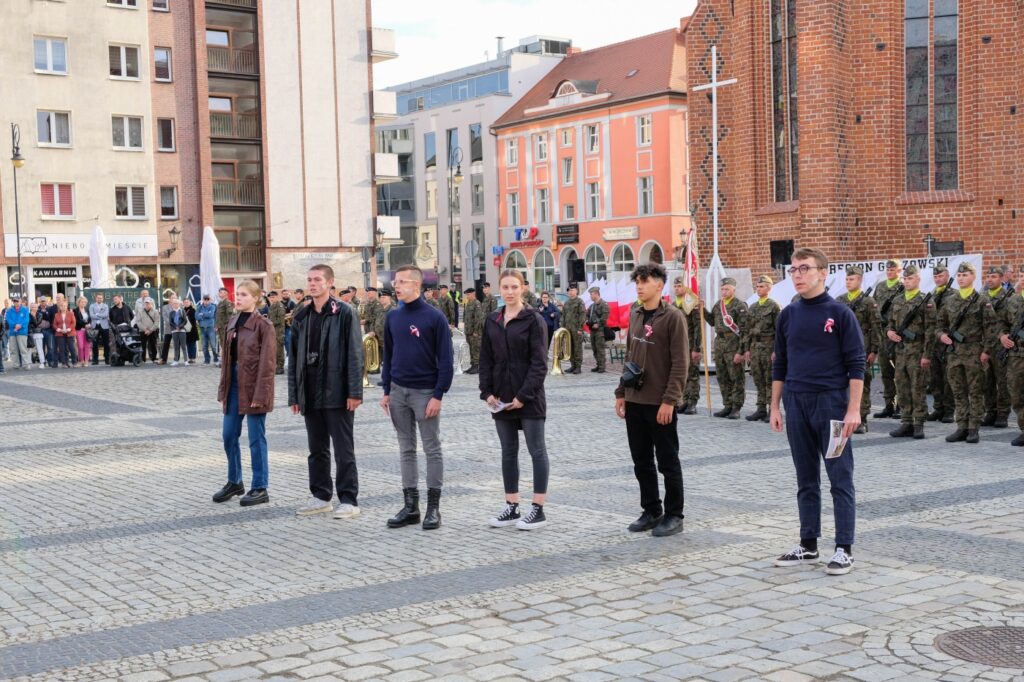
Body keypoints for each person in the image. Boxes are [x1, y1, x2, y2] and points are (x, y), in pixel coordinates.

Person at [770, 247, 864, 576]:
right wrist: (775, 406)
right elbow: (779, 363)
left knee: (839, 477)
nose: (797, 275)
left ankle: (843, 548)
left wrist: (854, 410)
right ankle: (808, 544)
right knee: (805, 477)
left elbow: (857, 366)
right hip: (796, 404)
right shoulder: (788, 315)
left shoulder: (840, 314)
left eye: (804, 269)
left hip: (832, 406)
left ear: (822, 273)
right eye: (793, 270)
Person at [613, 263, 688, 537]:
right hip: (635, 400)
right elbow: (630, 356)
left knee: (668, 460)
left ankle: (674, 514)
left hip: (660, 401)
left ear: (660, 284)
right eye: (637, 282)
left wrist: (670, 400)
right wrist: (621, 392)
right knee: (641, 460)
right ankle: (651, 509)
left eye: (645, 281)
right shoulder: (635, 313)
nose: (640, 286)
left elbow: (680, 364)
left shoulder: (673, 317)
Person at [380, 265, 453, 531]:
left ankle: (434, 508)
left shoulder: (434, 318)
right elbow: (389, 355)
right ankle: (411, 506)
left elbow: (445, 359)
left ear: (417, 285)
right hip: (399, 391)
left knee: (431, 448)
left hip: (425, 393)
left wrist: (438, 394)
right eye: (395, 282)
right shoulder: (393, 317)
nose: (396, 286)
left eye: (401, 282)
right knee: (406, 449)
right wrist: (386, 390)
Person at [288, 264, 364, 518]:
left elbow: (355, 354)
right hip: (309, 390)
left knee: (343, 449)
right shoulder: (301, 315)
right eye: (309, 279)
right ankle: (321, 495)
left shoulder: (344, 312)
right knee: (316, 448)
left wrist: (354, 392)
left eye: (317, 279)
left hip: (337, 390)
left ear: (330, 283)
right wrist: (295, 395)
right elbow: (294, 358)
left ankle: (348, 499)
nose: (312, 284)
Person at [480, 270, 551, 530]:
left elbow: (539, 363)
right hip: (501, 397)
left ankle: (538, 509)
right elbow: (486, 359)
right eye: (505, 287)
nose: (509, 292)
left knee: (536, 450)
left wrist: (524, 395)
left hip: (529, 398)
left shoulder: (533, 319)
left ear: (523, 288)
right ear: (500, 289)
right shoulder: (492, 320)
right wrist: (486, 391)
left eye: (514, 287)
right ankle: (511, 506)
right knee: (508, 452)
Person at [214, 280, 277, 507]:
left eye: (243, 295)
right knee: (228, 434)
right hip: (233, 384)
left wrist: (261, 393)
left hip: (255, 384)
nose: (237, 298)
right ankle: (235, 481)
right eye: (236, 294)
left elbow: (268, 364)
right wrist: (223, 387)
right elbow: (226, 361)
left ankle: (260, 486)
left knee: (255, 438)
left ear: (255, 297)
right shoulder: (232, 321)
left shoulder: (264, 325)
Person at [936, 262, 995, 444]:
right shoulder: (950, 300)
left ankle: (973, 428)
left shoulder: (982, 300)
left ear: (973, 277)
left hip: (974, 352)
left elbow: (991, 328)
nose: (961, 278)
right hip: (954, 353)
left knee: (975, 391)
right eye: (959, 276)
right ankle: (961, 426)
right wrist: (942, 336)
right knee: (958, 391)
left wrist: (986, 351)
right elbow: (939, 325)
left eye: (965, 275)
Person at [885, 264, 936, 439]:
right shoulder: (898, 300)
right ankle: (906, 422)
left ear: (918, 279)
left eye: (910, 278)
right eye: (905, 279)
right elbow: (891, 323)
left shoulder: (926, 301)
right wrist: (890, 332)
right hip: (900, 352)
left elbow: (931, 331)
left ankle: (919, 424)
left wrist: (926, 355)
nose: (907, 281)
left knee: (918, 388)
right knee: (902, 387)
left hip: (917, 351)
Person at [836, 266, 881, 433]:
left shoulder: (868, 302)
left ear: (860, 280)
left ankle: (861, 419)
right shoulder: (840, 300)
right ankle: (843, 417)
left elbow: (876, 327)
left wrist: (874, 350)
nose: (849, 282)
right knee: (841, 384)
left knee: (862, 384)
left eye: (852, 279)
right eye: (847, 279)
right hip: (841, 349)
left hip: (862, 348)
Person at [702, 278, 749, 418]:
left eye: (727, 289)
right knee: (722, 376)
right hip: (720, 344)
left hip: (733, 344)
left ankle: (736, 407)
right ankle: (727, 405)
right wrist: (702, 310)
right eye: (722, 289)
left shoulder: (739, 305)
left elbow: (745, 331)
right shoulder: (718, 305)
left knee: (736, 377)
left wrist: (741, 351)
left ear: (734, 290)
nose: (724, 291)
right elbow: (711, 321)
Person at [745, 276, 781, 422]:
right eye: (757, 286)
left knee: (769, 378)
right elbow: (747, 329)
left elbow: (780, 330)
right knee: (758, 378)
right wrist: (747, 349)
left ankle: (772, 409)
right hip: (755, 347)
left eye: (761, 286)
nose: (758, 289)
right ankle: (760, 408)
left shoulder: (774, 306)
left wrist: (776, 350)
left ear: (769, 288)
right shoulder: (753, 307)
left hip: (768, 345)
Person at [872, 259, 904, 419]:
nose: (890, 271)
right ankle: (888, 405)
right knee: (885, 372)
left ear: (900, 270)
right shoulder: (881, 287)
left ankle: (901, 405)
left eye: (893, 269)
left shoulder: (903, 287)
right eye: (888, 269)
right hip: (882, 336)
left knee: (899, 373)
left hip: (897, 336)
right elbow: (874, 307)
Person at [996, 265, 1024, 447]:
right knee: (1017, 394)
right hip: (1016, 355)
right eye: (1021, 275)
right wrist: (1002, 336)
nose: (1023, 278)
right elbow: (1001, 323)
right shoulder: (1013, 300)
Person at [981, 266, 1012, 428]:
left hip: (1000, 347)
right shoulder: (982, 297)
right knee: (987, 382)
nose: (990, 279)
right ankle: (990, 412)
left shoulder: (1008, 297)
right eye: (988, 276)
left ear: (1001, 278)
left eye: (994, 276)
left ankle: (1002, 413)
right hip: (984, 346)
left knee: (1002, 382)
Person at [670, 277, 703, 415]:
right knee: (680, 374)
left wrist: (696, 348)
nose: (677, 288)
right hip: (677, 346)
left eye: (680, 286)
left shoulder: (691, 304)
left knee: (692, 375)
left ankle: (692, 402)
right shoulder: (672, 305)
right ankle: (683, 401)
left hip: (689, 345)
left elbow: (697, 327)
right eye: (675, 286)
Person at [927, 265, 955, 423]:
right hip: (933, 342)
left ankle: (949, 410)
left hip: (947, 341)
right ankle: (938, 408)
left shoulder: (954, 295)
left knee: (947, 378)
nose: (938, 279)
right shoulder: (931, 295)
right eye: (936, 277)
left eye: (941, 276)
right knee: (934, 378)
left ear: (947, 276)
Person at [560, 284, 585, 374]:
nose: (570, 292)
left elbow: (582, 316)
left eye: (572, 290)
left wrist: (580, 329)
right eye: (569, 290)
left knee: (577, 348)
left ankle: (578, 367)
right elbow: (563, 316)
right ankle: (572, 365)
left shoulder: (579, 302)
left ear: (576, 291)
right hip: (568, 329)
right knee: (570, 348)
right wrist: (562, 327)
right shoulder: (567, 303)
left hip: (576, 329)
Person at [586, 286, 610, 373]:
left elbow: (605, 316)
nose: (590, 296)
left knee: (600, 349)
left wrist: (598, 324)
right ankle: (598, 364)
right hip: (592, 330)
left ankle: (602, 367)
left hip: (600, 331)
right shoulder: (592, 306)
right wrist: (587, 321)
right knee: (594, 348)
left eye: (591, 294)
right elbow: (587, 314)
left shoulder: (604, 304)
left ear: (596, 294)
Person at [462, 288, 484, 374]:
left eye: (468, 294)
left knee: (476, 348)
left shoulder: (477, 303)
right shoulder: (468, 304)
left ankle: (477, 366)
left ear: (473, 294)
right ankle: (473, 365)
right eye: (466, 295)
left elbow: (478, 319)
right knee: (471, 348)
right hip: (468, 331)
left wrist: (476, 331)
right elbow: (466, 318)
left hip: (475, 332)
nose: (467, 296)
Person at [5, 297, 30, 370]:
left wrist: (20, 325)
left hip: (22, 332)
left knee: (23, 349)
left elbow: (26, 320)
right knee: (13, 349)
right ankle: (16, 365)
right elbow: (8, 320)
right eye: (14, 301)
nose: (16, 302)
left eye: (17, 301)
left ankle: (26, 364)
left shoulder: (25, 310)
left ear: (20, 301)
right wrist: (15, 325)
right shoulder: (9, 310)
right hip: (12, 332)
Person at [135, 298, 160, 362]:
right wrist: (145, 329)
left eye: (148, 303)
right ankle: (143, 359)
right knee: (143, 345)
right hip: (143, 331)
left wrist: (150, 330)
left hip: (153, 331)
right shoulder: (140, 312)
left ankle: (154, 358)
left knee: (153, 345)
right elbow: (138, 322)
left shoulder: (156, 312)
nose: (147, 305)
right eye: (146, 303)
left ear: (151, 304)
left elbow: (157, 322)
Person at [196, 294, 219, 365]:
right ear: (203, 300)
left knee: (213, 345)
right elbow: (196, 316)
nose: (206, 301)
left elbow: (211, 315)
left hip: (211, 328)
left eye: (207, 299)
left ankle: (216, 359)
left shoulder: (213, 306)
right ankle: (207, 360)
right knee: (204, 346)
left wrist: (202, 314)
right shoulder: (199, 307)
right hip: (202, 328)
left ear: (210, 300)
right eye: (205, 299)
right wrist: (205, 315)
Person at [267, 290, 286, 375]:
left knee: (279, 349)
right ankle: (275, 365)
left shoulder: (280, 306)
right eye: (270, 297)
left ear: (277, 297)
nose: (271, 299)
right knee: (273, 349)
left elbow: (280, 319)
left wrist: (269, 322)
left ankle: (280, 367)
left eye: (273, 297)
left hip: (278, 331)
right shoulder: (271, 306)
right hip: (272, 331)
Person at [53, 299, 77, 368]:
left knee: (72, 348)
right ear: (59, 307)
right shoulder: (56, 315)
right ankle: (64, 363)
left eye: (64, 306)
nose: (63, 307)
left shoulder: (71, 313)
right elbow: (54, 324)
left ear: (67, 306)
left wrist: (69, 329)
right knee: (62, 349)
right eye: (62, 306)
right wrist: (59, 329)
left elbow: (73, 323)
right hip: (60, 333)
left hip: (70, 332)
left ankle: (74, 362)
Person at [166, 298, 189, 367]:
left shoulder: (182, 311)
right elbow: (170, 322)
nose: (175, 304)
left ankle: (186, 361)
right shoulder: (171, 313)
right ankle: (176, 360)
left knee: (183, 346)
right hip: (174, 330)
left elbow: (185, 321)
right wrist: (176, 327)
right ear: (172, 305)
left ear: (179, 304)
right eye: (174, 303)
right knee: (176, 346)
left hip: (182, 330)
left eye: (176, 303)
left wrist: (180, 326)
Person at [89, 293, 110, 366]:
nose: (99, 299)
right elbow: (91, 316)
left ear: (103, 299)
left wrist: (97, 314)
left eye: (101, 298)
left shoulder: (106, 306)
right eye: (98, 298)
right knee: (95, 344)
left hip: (104, 327)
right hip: (95, 326)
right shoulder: (92, 306)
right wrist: (101, 316)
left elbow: (105, 315)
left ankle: (107, 359)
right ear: (96, 298)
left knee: (106, 344)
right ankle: (95, 360)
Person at [215, 287, 234, 366]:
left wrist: (228, 326)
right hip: (220, 327)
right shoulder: (220, 303)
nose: (220, 294)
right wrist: (217, 325)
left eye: (221, 292)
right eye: (219, 292)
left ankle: (228, 361)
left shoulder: (227, 302)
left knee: (226, 344)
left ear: (226, 294)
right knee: (222, 344)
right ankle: (224, 360)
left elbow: (229, 315)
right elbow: (218, 316)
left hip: (225, 327)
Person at [73, 296, 91, 368]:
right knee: (80, 346)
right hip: (79, 330)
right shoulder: (75, 310)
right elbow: (76, 320)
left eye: (84, 302)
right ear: (78, 302)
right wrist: (85, 324)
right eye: (82, 302)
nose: (83, 303)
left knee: (87, 346)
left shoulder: (87, 309)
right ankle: (81, 361)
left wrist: (89, 324)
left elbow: (90, 319)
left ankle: (86, 361)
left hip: (87, 330)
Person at [29, 302, 46, 368]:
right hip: (30, 333)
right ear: (30, 307)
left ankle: (42, 362)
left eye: (35, 307)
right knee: (29, 349)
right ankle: (28, 363)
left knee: (39, 348)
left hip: (38, 332)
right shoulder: (27, 314)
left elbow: (36, 323)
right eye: (32, 307)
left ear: (37, 308)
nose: (34, 308)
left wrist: (33, 316)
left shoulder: (40, 314)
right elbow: (28, 324)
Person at [183, 298, 199, 364]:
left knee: (192, 344)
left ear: (190, 303)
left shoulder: (193, 310)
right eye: (185, 302)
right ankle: (190, 358)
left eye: (187, 302)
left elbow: (194, 319)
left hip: (192, 329)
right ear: (183, 303)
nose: (186, 303)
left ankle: (193, 358)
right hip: (185, 329)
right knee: (188, 344)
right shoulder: (182, 310)